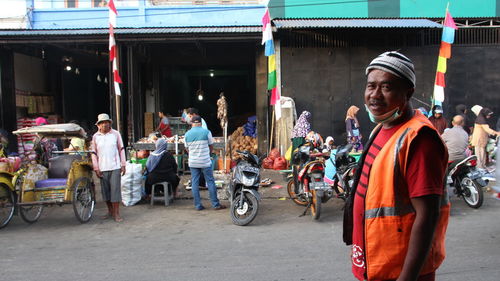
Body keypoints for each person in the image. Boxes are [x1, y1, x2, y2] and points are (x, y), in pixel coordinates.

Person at [343, 51, 450, 281]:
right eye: (371, 86)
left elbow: (427, 214)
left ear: (408, 92)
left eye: (386, 87)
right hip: (378, 264)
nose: (375, 95)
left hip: (401, 271)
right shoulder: (382, 127)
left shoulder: (420, 139)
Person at [184, 116, 225, 211]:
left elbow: (187, 149)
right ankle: (215, 204)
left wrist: (193, 154)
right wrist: (208, 154)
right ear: (201, 123)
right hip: (205, 161)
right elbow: (211, 146)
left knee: (195, 182)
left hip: (193, 162)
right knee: (210, 181)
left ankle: (198, 205)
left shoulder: (187, 134)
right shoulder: (207, 132)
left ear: (192, 123)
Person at [91, 113, 126, 222]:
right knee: (105, 192)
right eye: (102, 123)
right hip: (102, 167)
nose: (105, 125)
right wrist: (96, 168)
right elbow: (93, 153)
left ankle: (116, 213)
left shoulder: (115, 134)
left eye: (107, 122)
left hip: (115, 166)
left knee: (115, 191)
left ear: (110, 123)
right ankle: (110, 211)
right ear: (99, 125)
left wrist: (123, 164)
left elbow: (121, 149)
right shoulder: (95, 137)